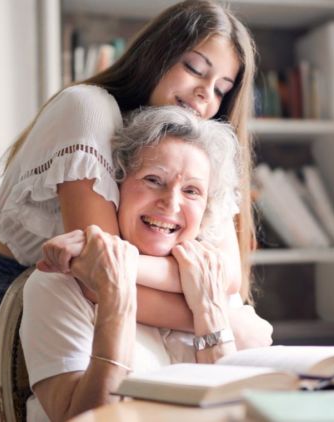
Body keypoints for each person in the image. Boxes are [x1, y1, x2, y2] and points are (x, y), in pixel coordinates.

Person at [0, 2, 269, 421]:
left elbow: (224, 274)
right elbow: (99, 279)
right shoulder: (87, 109)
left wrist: (98, 256)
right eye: (194, 68)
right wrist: (217, 311)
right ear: (157, 54)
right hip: (24, 291)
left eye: (221, 88)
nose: (204, 95)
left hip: (121, 301)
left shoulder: (197, 143)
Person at [21, 106, 245, 422]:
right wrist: (116, 298)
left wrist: (210, 311)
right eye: (154, 179)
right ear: (118, 185)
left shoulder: (210, 282)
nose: (171, 203)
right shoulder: (59, 286)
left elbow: (230, 414)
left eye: (192, 190)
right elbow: (84, 417)